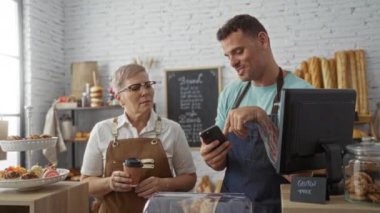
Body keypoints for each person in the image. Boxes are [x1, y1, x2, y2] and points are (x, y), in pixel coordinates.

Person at [200, 14, 313, 213]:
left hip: (278, 206)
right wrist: (213, 159)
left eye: (238, 52)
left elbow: (301, 178)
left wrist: (262, 119)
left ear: (263, 40)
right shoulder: (230, 94)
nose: (232, 62)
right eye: (228, 56)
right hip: (232, 205)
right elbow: (221, 162)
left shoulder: (302, 95)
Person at [80, 64, 196, 213]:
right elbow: (85, 184)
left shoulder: (173, 129)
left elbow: (190, 179)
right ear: (119, 98)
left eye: (148, 85)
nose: (145, 92)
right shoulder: (102, 131)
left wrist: (164, 184)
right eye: (135, 88)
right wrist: (110, 183)